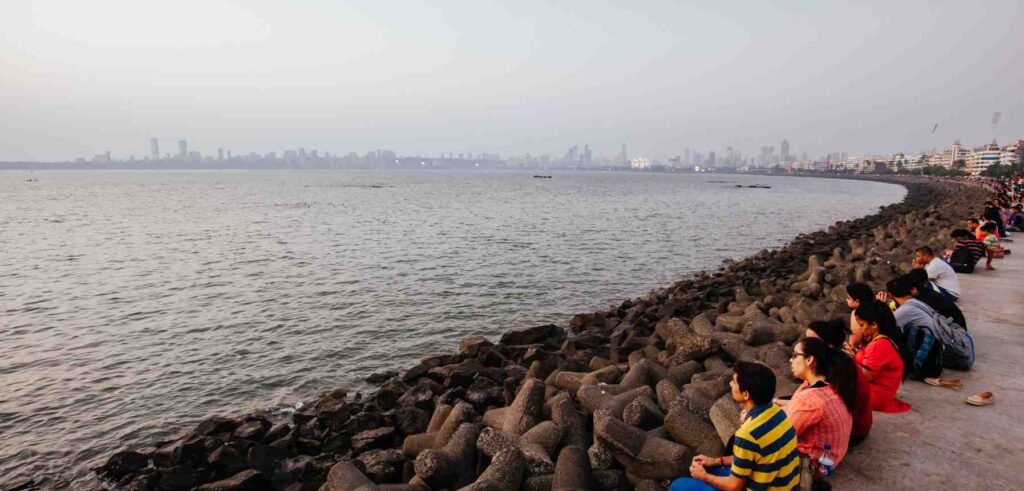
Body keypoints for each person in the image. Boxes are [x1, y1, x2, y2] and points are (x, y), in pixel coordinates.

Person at [671, 361, 800, 491]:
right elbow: (751, 457)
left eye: (734, 382)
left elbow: (734, 486)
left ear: (746, 394)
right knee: (709, 468)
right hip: (784, 485)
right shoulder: (778, 412)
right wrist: (715, 461)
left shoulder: (747, 435)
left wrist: (703, 476)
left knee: (678, 485)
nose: (730, 384)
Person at [775, 338, 853, 468]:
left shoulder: (809, 399)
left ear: (809, 360)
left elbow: (781, 437)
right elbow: (796, 407)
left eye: (795, 356)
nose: (790, 360)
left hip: (811, 465)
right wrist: (775, 402)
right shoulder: (829, 386)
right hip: (832, 456)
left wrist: (750, 417)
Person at [805, 319, 872, 446]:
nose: (805, 344)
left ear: (828, 345)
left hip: (853, 431)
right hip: (859, 425)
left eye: (811, 340)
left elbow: (819, 406)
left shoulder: (834, 370)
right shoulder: (839, 359)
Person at [852, 301, 910, 413]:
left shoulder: (880, 344)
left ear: (874, 325)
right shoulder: (881, 340)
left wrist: (845, 361)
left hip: (875, 394)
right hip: (880, 392)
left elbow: (867, 376)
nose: (859, 329)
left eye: (861, 325)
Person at [886, 277, 942, 380]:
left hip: (928, 356)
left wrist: (882, 305)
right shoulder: (916, 302)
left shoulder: (905, 310)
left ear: (891, 295)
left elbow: (884, 327)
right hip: (936, 351)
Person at [844, 283, 874, 351]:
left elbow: (854, 341)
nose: (846, 300)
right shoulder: (874, 309)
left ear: (857, 301)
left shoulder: (856, 314)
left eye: (849, 298)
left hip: (865, 351)